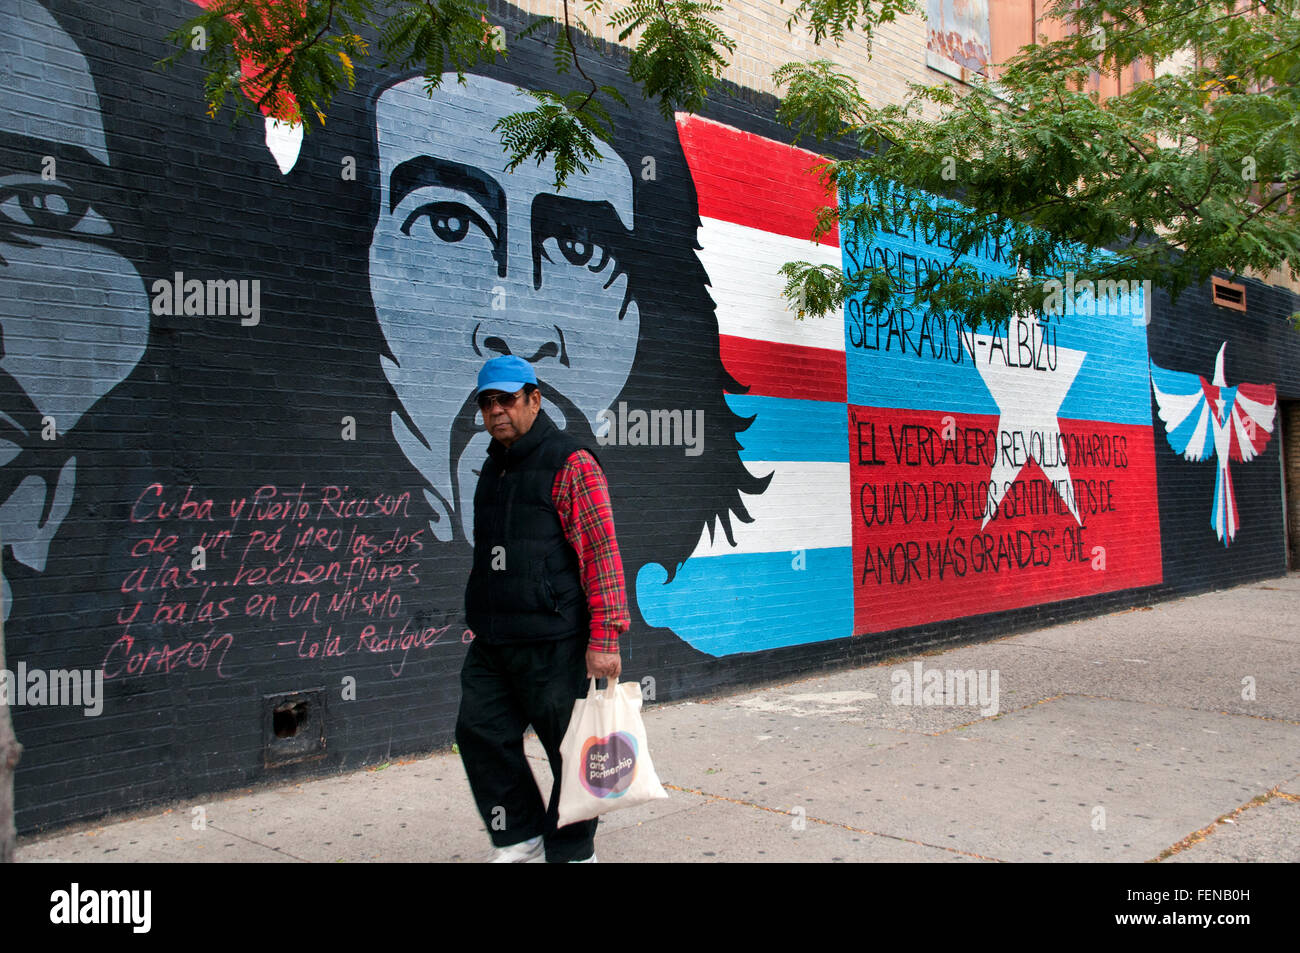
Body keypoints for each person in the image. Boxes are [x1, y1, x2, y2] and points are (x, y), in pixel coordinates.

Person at [455, 354, 627, 863]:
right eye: (487, 402)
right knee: (479, 732)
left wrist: (606, 638)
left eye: (506, 399)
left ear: (534, 399)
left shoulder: (570, 461)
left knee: (571, 752)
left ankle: (573, 851)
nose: (496, 411)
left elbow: (602, 553)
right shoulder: (493, 465)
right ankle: (520, 835)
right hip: (494, 640)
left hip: (556, 641)